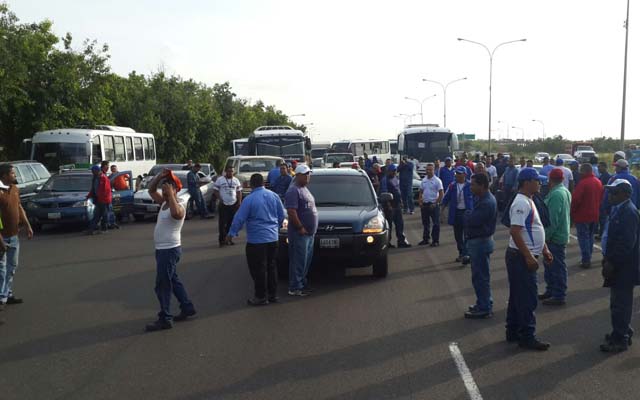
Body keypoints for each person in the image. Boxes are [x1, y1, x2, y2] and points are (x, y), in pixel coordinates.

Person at [505, 168, 554, 351]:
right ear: (527, 182)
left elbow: (533, 229)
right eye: (537, 181)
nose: (540, 184)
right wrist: (528, 256)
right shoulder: (521, 203)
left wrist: (545, 249)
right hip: (521, 257)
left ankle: (513, 331)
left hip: (524, 255)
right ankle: (527, 336)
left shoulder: (529, 200)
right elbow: (515, 231)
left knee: (518, 295)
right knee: (527, 298)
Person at [144, 169, 196, 332]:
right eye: (164, 186)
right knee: (173, 280)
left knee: (163, 284)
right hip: (162, 249)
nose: (164, 188)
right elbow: (151, 190)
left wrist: (171, 195)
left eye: (169, 186)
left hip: (169, 250)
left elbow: (177, 214)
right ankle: (187, 307)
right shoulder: (164, 203)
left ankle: (165, 318)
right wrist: (159, 177)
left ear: (176, 190)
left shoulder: (178, 204)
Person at [228, 173, 286, 306]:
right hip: (273, 238)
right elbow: (281, 215)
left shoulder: (249, 199)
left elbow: (239, 218)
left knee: (258, 269)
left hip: (256, 241)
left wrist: (231, 233)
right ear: (263, 183)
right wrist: (275, 228)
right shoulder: (274, 196)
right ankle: (273, 295)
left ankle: (261, 296)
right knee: (271, 267)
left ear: (251, 184)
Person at [600, 179, 639, 352]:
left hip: (624, 267)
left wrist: (612, 261)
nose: (610, 195)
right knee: (617, 302)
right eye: (610, 191)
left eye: (614, 192)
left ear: (625, 194)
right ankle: (622, 331)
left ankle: (620, 338)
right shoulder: (619, 209)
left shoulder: (629, 212)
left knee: (621, 304)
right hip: (618, 264)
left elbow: (626, 244)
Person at [464, 173, 497, 319]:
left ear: (482, 186)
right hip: (480, 241)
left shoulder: (486, 202)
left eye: (473, 184)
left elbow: (471, 220)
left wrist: (467, 216)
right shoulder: (482, 198)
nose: (471, 187)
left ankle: (484, 307)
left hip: (481, 242)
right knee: (480, 276)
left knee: (481, 277)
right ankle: (483, 303)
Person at [0, 164, 33, 310]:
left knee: (11, 267)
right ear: (4, 175)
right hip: (1, 238)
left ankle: (7, 294)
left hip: (14, 236)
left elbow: (19, 208)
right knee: (1, 270)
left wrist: (27, 225)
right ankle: (1, 300)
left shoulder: (14, 189)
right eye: (13, 173)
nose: (15, 176)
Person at [285, 164, 318, 297]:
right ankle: (295, 287)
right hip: (300, 233)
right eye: (305, 174)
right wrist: (300, 227)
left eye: (308, 174)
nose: (308, 176)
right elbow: (291, 211)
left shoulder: (304, 189)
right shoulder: (294, 190)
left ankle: (302, 284)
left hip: (309, 233)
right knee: (298, 261)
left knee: (305, 261)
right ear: (297, 176)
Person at [540, 168, 571, 306]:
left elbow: (552, 219)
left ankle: (558, 294)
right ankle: (551, 290)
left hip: (555, 237)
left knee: (556, 267)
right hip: (558, 235)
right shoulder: (562, 191)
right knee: (550, 266)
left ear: (550, 180)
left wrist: (545, 238)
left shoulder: (557, 194)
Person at [570, 163, 603, 269]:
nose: (579, 173)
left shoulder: (583, 183)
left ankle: (586, 260)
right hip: (594, 214)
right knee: (590, 237)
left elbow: (576, 200)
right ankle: (588, 257)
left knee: (583, 238)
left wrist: (572, 213)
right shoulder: (598, 182)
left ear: (585, 171)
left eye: (581, 171)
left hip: (583, 215)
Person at [442, 167, 473, 265]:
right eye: (456, 173)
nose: (458, 175)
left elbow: (477, 198)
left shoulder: (470, 185)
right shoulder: (452, 185)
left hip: (467, 213)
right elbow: (446, 198)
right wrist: (441, 210)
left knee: (467, 234)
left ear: (465, 174)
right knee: (458, 235)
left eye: (460, 173)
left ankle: (466, 254)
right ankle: (461, 253)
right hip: (456, 213)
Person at [380, 164, 411, 248]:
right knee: (389, 225)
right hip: (389, 206)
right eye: (393, 171)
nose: (394, 172)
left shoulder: (395, 178)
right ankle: (387, 243)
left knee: (400, 224)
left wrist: (400, 201)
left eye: (395, 171)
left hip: (397, 205)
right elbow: (384, 193)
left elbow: (398, 190)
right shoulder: (385, 180)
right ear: (388, 171)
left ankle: (401, 241)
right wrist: (388, 205)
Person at [214, 166, 242, 247]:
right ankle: (222, 240)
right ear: (225, 172)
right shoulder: (220, 180)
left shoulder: (236, 180)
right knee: (222, 223)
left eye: (232, 171)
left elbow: (239, 191)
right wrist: (220, 199)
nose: (230, 173)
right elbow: (215, 190)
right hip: (224, 204)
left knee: (231, 223)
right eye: (229, 171)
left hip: (233, 204)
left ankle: (229, 239)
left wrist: (239, 201)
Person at [418, 163, 444, 247]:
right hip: (425, 204)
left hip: (433, 205)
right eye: (427, 170)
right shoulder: (424, 180)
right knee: (426, 223)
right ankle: (426, 239)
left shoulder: (437, 181)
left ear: (433, 170)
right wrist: (420, 201)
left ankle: (435, 240)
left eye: (430, 169)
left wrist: (436, 203)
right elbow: (421, 192)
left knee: (436, 223)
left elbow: (441, 194)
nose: (428, 171)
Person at [87, 165, 112, 234]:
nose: (91, 172)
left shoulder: (103, 178)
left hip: (104, 200)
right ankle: (92, 229)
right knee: (97, 215)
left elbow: (106, 190)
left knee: (104, 214)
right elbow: (93, 189)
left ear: (96, 171)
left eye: (92, 171)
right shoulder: (95, 178)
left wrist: (101, 199)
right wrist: (89, 196)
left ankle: (104, 229)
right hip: (99, 200)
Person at [596, 162, 612, 240]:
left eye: (600, 167)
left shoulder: (607, 177)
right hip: (601, 199)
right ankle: (601, 233)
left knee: (603, 218)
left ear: (605, 167)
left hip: (604, 200)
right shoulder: (602, 176)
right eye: (598, 167)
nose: (598, 168)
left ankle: (602, 234)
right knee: (601, 218)